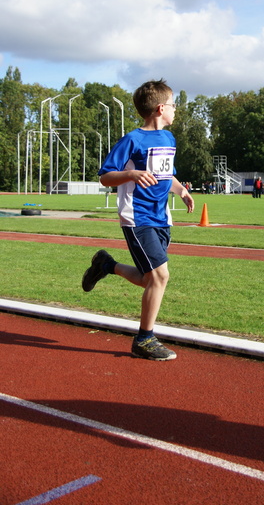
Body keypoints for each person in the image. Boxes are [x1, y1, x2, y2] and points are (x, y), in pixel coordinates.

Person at [81, 79, 194, 361]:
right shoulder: (132, 140)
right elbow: (106, 176)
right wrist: (131, 174)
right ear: (159, 108)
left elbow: (165, 175)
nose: (175, 109)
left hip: (161, 217)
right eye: (172, 104)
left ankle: (106, 265)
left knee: (149, 279)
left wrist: (180, 191)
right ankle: (144, 339)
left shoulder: (168, 139)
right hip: (137, 216)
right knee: (160, 276)